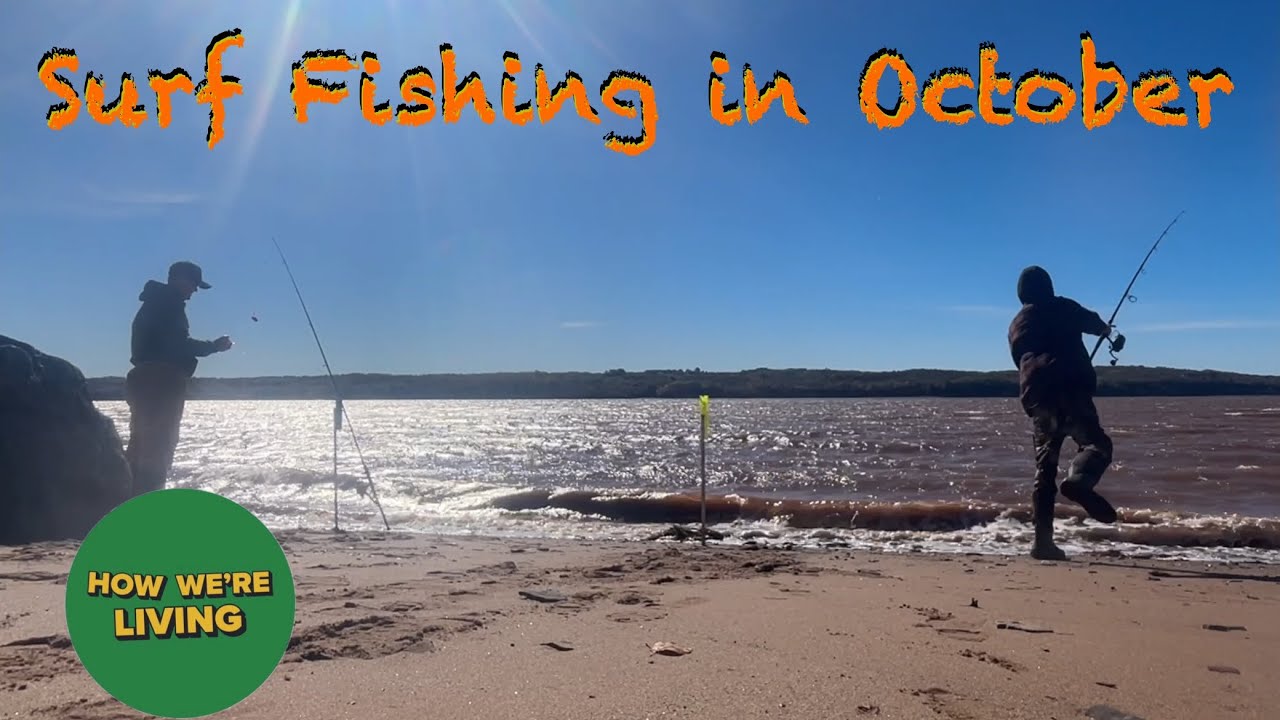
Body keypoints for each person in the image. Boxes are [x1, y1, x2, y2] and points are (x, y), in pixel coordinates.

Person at [1007, 265, 1119, 561]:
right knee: (1097, 445)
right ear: (1049, 288)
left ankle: (1042, 543)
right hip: (1071, 388)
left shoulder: (1017, 324)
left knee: (1044, 471)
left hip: (1038, 397)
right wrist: (1106, 330)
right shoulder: (1063, 306)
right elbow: (1095, 323)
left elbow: (1019, 358)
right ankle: (1080, 482)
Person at [125, 261, 232, 495]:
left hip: (145, 379)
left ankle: (128, 502)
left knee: (141, 444)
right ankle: (147, 506)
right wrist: (214, 346)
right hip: (160, 381)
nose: (194, 291)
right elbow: (178, 345)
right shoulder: (168, 304)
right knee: (159, 445)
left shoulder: (156, 302)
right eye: (194, 284)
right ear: (181, 279)